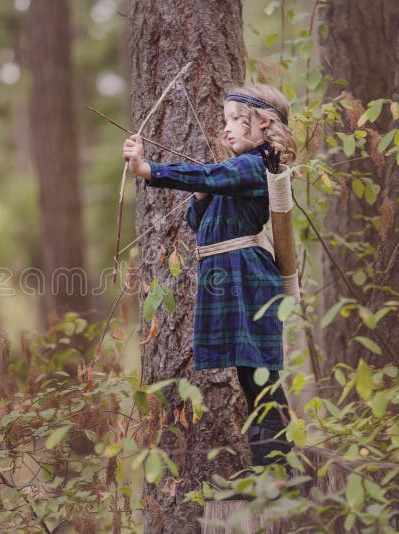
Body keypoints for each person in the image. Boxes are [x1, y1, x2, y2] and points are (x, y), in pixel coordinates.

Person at [122, 83, 297, 467]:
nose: (226, 129)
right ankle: (274, 466)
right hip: (231, 278)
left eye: (236, 119)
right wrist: (202, 191)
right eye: (225, 120)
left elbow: (213, 175)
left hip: (248, 278)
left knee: (260, 375)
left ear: (264, 122)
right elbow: (196, 220)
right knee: (251, 376)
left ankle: (280, 467)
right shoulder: (235, 172)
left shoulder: (256, 165)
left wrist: (146, 168)